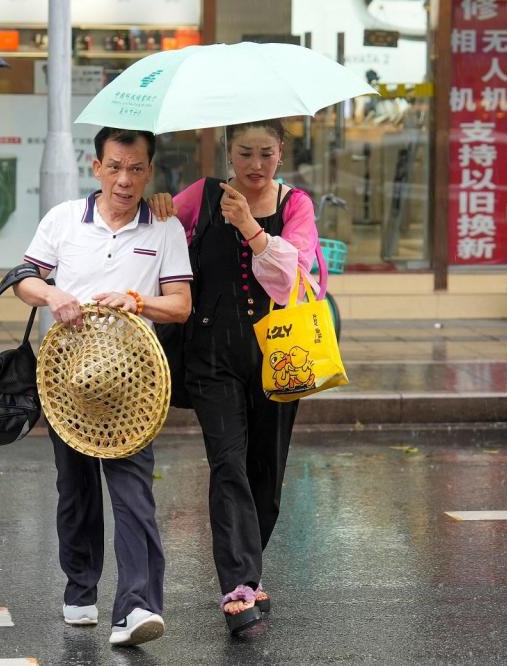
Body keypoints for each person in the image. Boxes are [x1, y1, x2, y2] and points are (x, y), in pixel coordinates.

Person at [13, 127, 192, 647]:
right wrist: (52, 294)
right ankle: (80, 589)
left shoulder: (164, 226)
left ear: (150, 172)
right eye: (114, 166)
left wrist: (139, 300)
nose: (124, 179)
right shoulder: (64, 219)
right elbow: (23, 279)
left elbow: (180, 306)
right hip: (69, 379)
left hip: (134, 382)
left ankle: (137, 608)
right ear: (96, 167)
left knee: (133, 492)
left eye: (136, 169)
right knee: (76, 490)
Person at [148, 118, 319, 634]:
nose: (256, 165)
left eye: (266, 153)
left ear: (282, 153)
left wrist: (250, 226)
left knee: (266, 475)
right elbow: (151, 238)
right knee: (227, 464)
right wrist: (157, 210)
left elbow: (292, 277)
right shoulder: (201, 196)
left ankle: (249, 570)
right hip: (212, 355)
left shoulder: (297, 206)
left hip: (278, 355)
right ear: (228, 152)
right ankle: (239, 586)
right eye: (245, 153)